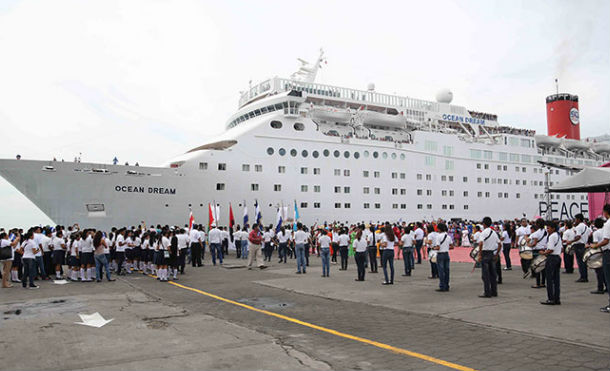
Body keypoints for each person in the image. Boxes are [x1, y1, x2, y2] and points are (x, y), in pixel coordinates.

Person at [588, 204, 610, 313]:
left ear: (605, 212)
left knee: (606, 276)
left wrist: (594, 246)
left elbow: (606, 240)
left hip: (607, 253)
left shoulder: (607, 225)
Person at [477, 217, 501, 298]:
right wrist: (497, 254)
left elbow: (480, 243)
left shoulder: (483, 233)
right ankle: (494, 291)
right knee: (493, 274)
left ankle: (487, 292)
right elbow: (500, 244)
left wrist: (480, 254)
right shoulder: (494, 232)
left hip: (485, 254)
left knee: (485, 275)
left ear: (484, 224)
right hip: (492, 254)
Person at [540, 221, 562, 305]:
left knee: (549, 279)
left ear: (553, 228)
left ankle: (551, 298)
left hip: (551, 258)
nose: (547, 230)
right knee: (556, 280)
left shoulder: (552, 236)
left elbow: (550, 249)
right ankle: (557, 298)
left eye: (548, 228)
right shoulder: (558, 235)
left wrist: (544, 253)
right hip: (557, 257)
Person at [589, 218, 607, 295]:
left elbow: (595, 244)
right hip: (606, 251)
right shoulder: (605, 230)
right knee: (605, 271)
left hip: (599, 252)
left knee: (598, 271)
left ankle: (600, 288)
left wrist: (590, 246)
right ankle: (607, 286)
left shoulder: (596, 233)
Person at [528, 219, 548, 289]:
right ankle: (543, 282)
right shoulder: (546, 232)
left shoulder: (536, 233)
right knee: (543, 267)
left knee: (537, 267)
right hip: (544, 249)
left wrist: (529, 245)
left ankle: (538, 283)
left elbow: (534, 243)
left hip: (537, 250)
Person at [433, 223, 452, 292]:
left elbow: (438, 247)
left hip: (440, 254)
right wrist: (446, 247)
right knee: (447, 270)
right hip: (446, 254)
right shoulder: (448, 236)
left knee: (441, 271)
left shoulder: (438, 236)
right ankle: (447, 285)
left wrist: (433, 248)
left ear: (439, 229)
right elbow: (452, 246)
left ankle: (442, 286)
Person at [570, 214, 590, 283]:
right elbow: (590, 234)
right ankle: (585, 276)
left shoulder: (578, 227)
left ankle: (582, 277)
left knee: (580, 262)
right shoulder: (586, 226)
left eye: (576, 219)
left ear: (578, 219)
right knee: (583, 262)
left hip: (578, 245)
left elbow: (578, 237)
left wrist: (571, 241)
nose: (575, 221)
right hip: (583, 244)